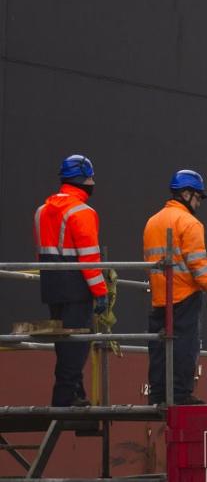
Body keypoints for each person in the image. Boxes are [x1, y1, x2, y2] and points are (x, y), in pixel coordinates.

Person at [34, 154, 109, 406]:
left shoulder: (42, 211)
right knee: (76, 344)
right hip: (76, 287)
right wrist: (100, 291)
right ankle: (66, 395)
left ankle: (75, 392)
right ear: (84, 178)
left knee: (62, 342)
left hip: (51, 285)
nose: (93, 182)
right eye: (91, 177)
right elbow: (89, 258)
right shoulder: (83, 212)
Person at [143, 169, 207, 405]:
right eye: (198, 197)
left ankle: (157, 394)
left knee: (159, 346)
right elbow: (197, 261)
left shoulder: (152, 222)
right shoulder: (190, 223)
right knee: (185, 345)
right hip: (185, 294)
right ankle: (179, 393)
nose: (199, 203)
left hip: (159, 295)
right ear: (186, 194)